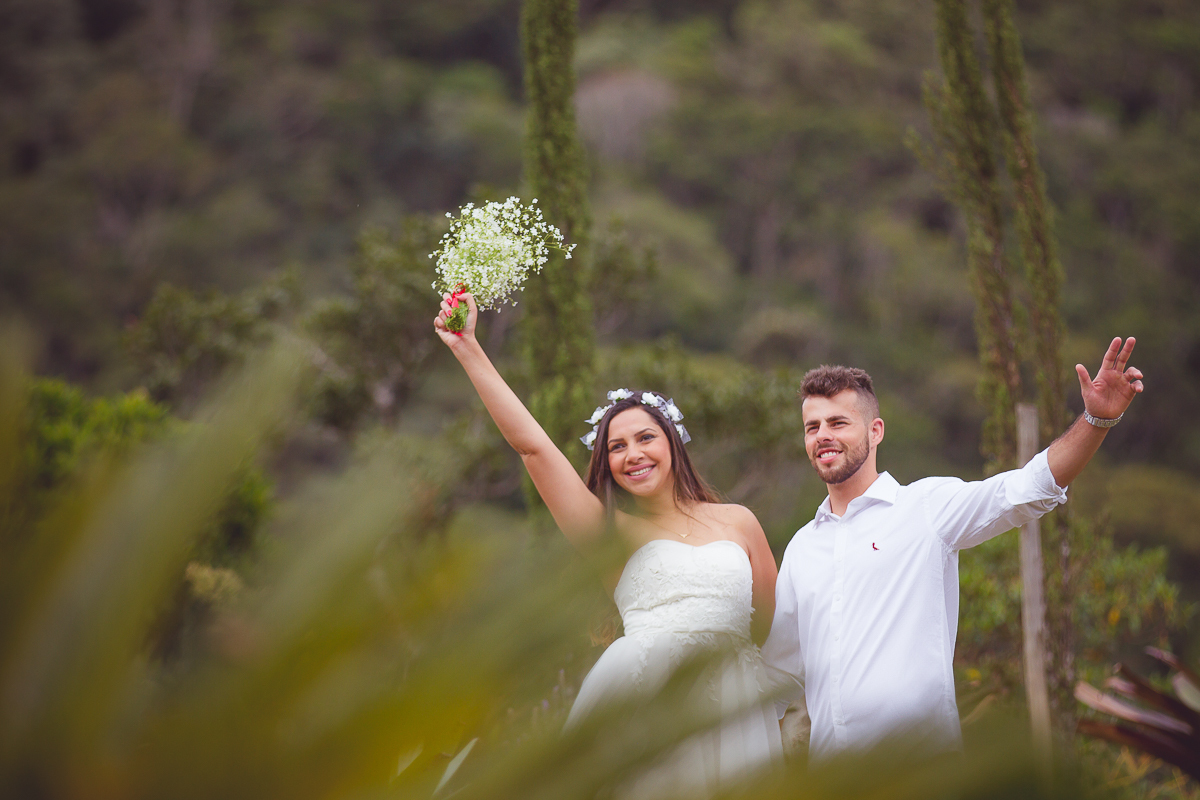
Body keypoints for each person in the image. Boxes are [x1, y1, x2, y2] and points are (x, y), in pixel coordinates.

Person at [434, 292, 783, 795]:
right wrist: (467, 347)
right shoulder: (605, 531)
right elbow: (532, 447)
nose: (633, 454)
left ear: (672, 444)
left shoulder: (739, 522)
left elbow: (769, 626)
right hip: (641, 704)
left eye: (645, 438)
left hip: (731, 709)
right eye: (616, 447)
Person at [762, 337, 1144, 763]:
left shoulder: (925, 508)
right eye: (812, 427)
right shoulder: (802, 547)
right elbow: (777, 677)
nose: (823, 436)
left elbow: (1028, 488)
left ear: (875, 430)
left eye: (837, 423)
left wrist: (1095, 420)